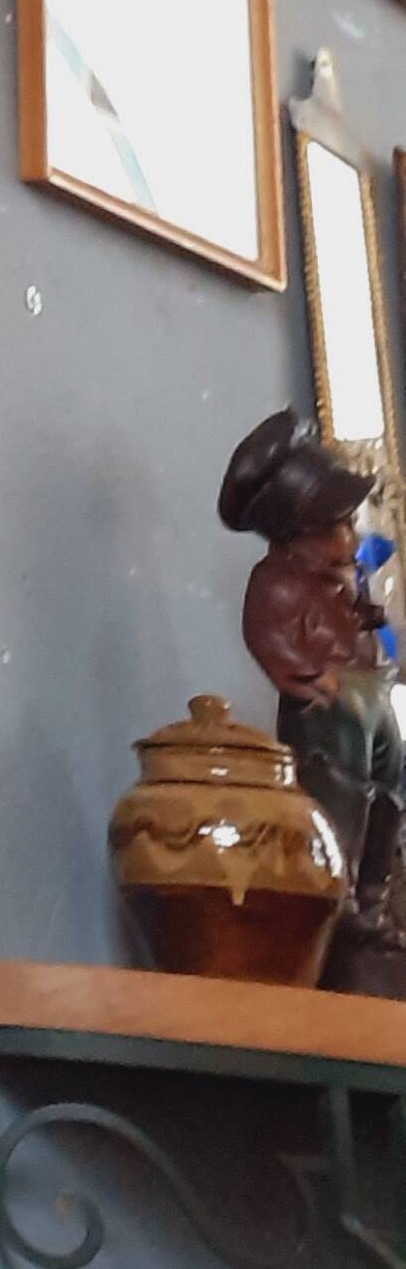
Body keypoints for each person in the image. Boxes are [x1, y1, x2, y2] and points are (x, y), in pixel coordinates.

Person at [221, 410, 406, 989]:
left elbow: (355, 626)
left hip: (369, 695)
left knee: (393, 787)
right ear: (295, 537)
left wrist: (368, 617)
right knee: (339, 794)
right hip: (333, 707)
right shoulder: (276, 581)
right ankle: (342, 895)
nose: (350, 541)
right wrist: (303, 673)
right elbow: (268, 635)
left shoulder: (335, 582)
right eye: (337, 529)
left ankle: (376, 894)